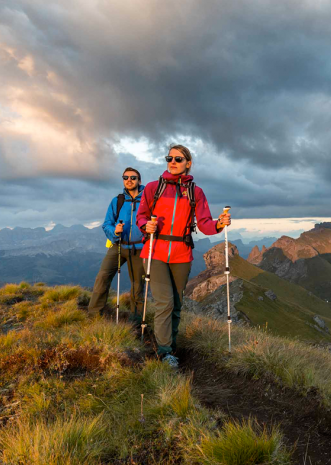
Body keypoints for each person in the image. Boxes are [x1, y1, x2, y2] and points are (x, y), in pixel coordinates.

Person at [137, 144, 231, 366]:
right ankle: (164, 351)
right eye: (169, 158)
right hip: (154, 251)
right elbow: (141, 216)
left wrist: (219, 223)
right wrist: (145, 226)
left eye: (178, 159)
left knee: (177, 303)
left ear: (188, 163)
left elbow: (206, 224)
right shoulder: (153, 188)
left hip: (182, 253)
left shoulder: (195, 192)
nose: (172, 162)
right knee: (165, 302)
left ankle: (171, 346)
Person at [88, 167, 146, 317]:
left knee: (138, 286)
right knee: (103, 277)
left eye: (133, 178)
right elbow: (107, 224)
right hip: (118, 245)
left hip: (140, 248)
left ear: (139, 181)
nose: (129, 180)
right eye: (125, 177)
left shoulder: (148, 200)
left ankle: (137, 321)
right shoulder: (118, 201)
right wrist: (115, 231)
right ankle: (94, 314)